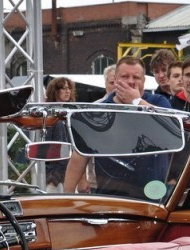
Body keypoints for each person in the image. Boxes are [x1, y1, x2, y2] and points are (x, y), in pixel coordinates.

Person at [62, 56, 170, 197]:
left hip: (153, 194)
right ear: (116, 79)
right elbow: (79, 156)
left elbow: (169, 124)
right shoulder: (98, 111)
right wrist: (67, 195)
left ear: (144, 80)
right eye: (125, 76)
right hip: (111, 195)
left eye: (136, 77)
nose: (130, 81)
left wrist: (137, 102)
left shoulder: (158, 101)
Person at [44, 76, 75, 192]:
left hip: (64, 174)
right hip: (55, 176)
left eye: (69, 88)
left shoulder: (67, 113)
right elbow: (56, 148)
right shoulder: (53, 116)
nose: (67, 91)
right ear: (55, 91)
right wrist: (54, 177)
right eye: (63, 88)